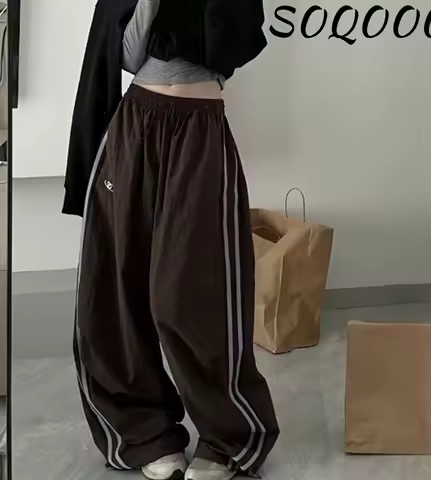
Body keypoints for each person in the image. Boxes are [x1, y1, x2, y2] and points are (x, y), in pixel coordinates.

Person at [64, 0, 280, 479]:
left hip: (200, 127)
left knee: (193, 292)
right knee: (117, 285)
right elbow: (125, 54)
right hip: (135, 124)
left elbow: (235, 47)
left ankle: (228, 437)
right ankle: (145, 433)